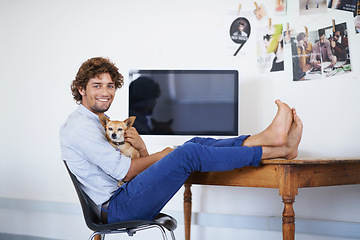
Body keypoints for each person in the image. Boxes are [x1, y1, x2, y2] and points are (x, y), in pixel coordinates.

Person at [59, 57, 303, 224]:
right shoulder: (80, 127)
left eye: (110, 85)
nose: (106, 92)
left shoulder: (100, 121)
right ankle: (275, 148)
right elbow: (126, 172)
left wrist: (143, 147)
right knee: (186, 153)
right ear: (82, 89)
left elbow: (134, 168)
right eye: (97, 85)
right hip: (117, 208)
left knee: (193, 144)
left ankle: (268, 139)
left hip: (125, 198)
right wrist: (165, 153)